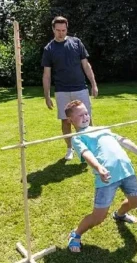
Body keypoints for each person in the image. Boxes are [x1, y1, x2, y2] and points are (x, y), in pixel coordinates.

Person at [64, 100, 137, 252]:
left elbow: (124, 141)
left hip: (127, 172)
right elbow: (86, 153)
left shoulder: (102, 129)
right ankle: (76, 234)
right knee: (98, 218)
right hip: (106, 178)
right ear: (70, 120)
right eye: (80, 115)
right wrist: (98, 167)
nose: (85, 117)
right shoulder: (78, 137)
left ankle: (119, 214)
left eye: (86, 113)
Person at [42, 16, 98, 161]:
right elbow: (46, 75)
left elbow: (86, 65)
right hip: (62, 91)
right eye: (58, 30)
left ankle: (91, 147)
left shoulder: (76, 43)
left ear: (67, 28)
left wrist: (94, 84)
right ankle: (69, 148)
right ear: (53, 29)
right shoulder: (49, 49)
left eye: (64, 30)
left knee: (86, 119)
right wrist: (47, 96)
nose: (61, 33)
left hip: (80, 88)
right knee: (66, 121)